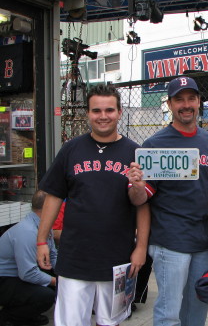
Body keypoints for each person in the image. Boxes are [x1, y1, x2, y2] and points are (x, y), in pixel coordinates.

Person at [36, 84, 150, 326]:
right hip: (75, 258)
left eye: (109, 110)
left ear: (120, 112)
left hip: (117, 259)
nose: (103, 116)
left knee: (110, 322)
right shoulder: (71, 149)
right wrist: (41, 240)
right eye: (96, 110)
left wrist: (141, 248)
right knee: (70, 322)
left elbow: (142, 205)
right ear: (88, 113)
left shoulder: (135, 153)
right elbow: (54, 196)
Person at [127, 76, 208, 326]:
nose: (186, 105)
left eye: (191, 98)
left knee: (198, 308)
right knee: (169, 313)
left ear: (198, 102)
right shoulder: (155, 144)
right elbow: (140, 200)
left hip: (200, 242)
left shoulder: (207, 140)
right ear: (169, 103)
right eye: (179, 99)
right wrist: (137, 187)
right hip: (170, 242)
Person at [0, 190, 57, 326]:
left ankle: (27, 314)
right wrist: (58, 282)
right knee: (46, 296)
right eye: (55, 206)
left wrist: (65, 274)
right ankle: (9, 317)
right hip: (4, 280)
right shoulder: (27, 231)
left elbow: (53, 254)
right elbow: (27, 273)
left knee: (57, 283)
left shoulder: (44, 226)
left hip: (19, 274)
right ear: (47, 208)